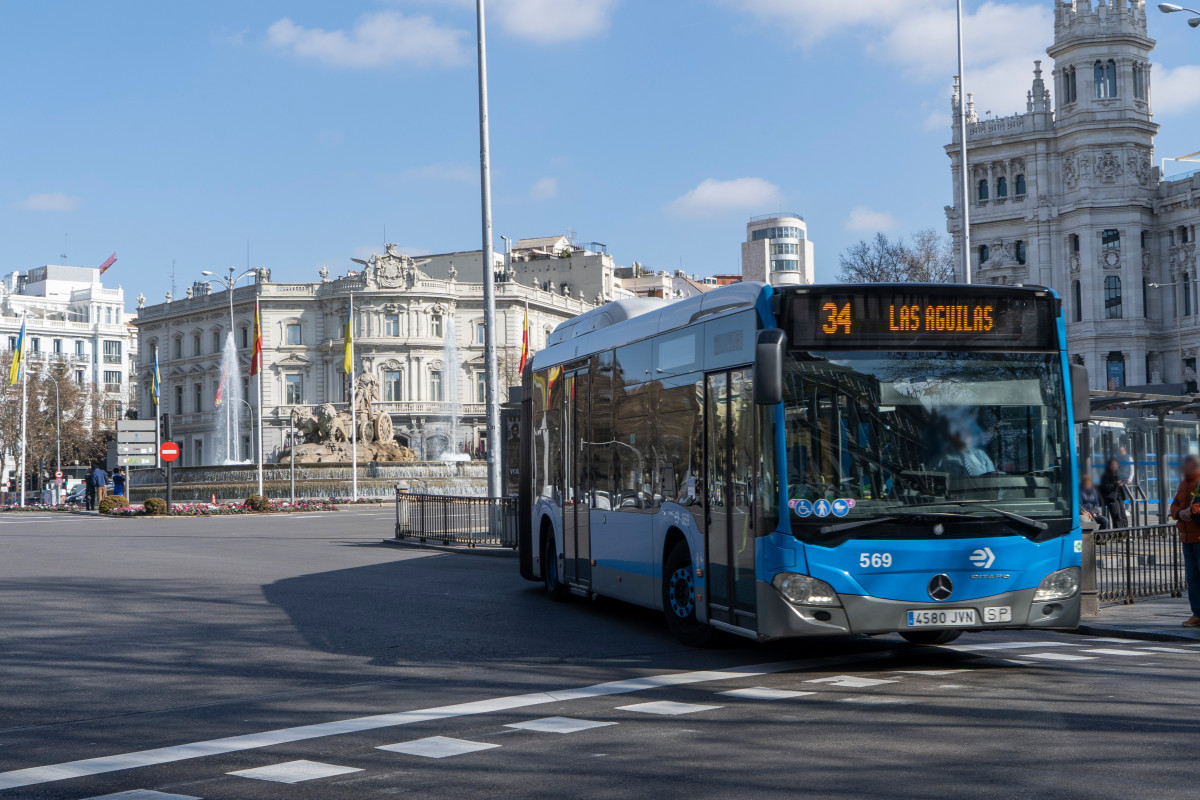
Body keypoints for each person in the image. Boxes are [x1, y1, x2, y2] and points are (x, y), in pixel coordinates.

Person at [1169, 454, 1200, 628]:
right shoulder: (1183, 483)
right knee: (1193, 579)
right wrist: (1180, 513)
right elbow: (1173, 505)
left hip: (1198, 537)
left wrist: (1192, 510)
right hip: (1187, 539)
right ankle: (1197, 614)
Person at [930, 424, 998, 477]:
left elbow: (993, 478)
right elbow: (929, 478)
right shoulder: (940, 457)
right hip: (954, 494)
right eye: (959, 433)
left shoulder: (981, 455)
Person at [1099, 458, 1128, 528]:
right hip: (1112, 499)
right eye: (1113, 464)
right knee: (1117, 517)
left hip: (1119, 498)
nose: (1115, 466)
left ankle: (1125, 534)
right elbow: (1105, 487)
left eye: (1116, 464)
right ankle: (1118, 535)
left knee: (1124, 517)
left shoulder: (1117, 475)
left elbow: (1119, 487)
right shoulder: (1105, 476)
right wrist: (1116, 483)